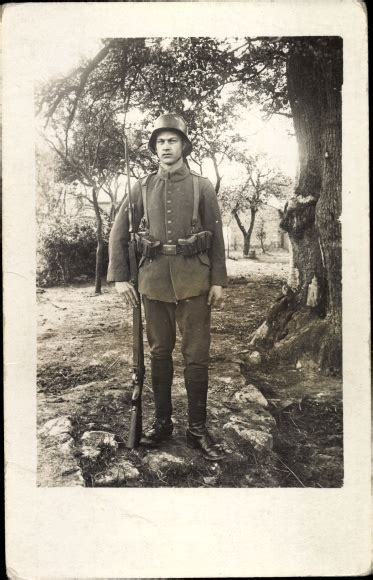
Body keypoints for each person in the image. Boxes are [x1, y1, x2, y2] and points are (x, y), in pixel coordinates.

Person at [107, 113, 228, 461]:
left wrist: (218, 280)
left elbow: (217, 236)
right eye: (160, 141)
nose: (166, 146)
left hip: (195, 280)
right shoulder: (142, 186)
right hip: (154, 281)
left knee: (196, 356)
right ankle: (162, 425)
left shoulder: (201, 186)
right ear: (154, 148)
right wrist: (119, 278)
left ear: (183, 145)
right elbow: (118, 232)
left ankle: (197, 429)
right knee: (159, 354)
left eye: (172, 140)